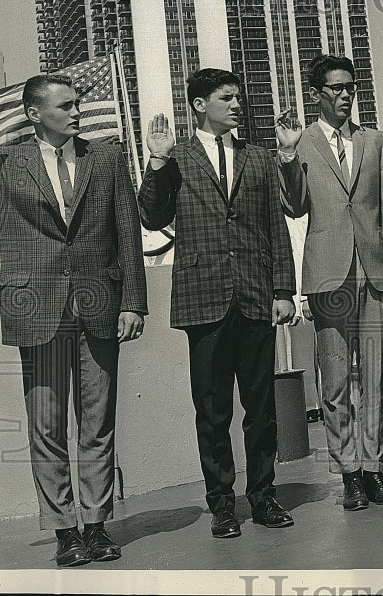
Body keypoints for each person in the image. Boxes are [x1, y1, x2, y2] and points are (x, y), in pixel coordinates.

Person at [0, 74, 147, 566]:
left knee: (97, 423)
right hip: (37, 308)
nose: (77, 112)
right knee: (48, 425)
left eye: (79, 104)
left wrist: (133, 302)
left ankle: (96, 525)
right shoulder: (4, 164)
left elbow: (127, 231)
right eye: (65, 106)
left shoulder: (107, 158)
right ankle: (63, 530)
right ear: (34, 114)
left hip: (100, 306)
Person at [137, 68, 297, 538]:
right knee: (212, 411)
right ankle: (222, 504)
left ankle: (264, 495)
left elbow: (276, 227)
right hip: (203, 298)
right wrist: (157, 163)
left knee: (261, 405)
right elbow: (152, 214)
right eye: (226, 98)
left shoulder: (259, 157)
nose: (236, 105)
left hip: (254, 296)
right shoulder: (179, 157)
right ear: (200, 104)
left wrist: (283, 291)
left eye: (238, 97)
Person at [276, 55, 383, 511]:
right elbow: (294, 206)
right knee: (334, 381)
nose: (344, 94)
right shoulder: (303, 142)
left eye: (350, 86)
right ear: (316, 93)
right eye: (334, 88)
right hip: (329, 275)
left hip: (374, 274)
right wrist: (289, 155)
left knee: (375, 380)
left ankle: (374, 470)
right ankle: (348, 472)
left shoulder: (373, 141)